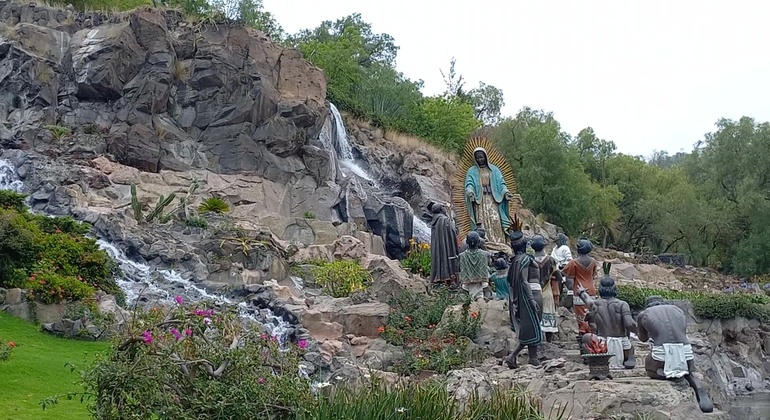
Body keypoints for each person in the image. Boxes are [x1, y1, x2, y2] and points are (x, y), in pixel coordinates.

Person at [637, 296, 714, 413]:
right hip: (685, 352)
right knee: (687, 370)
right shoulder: (677, 310)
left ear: (647, 305)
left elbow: (643, 338)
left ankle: (664, 373)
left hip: (662, 356)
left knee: (649, 361)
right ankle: (698, 387)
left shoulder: (644, 314)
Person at [576, 262, 637, 370]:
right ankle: (629, 356)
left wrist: (581, 292)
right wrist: (640, 333)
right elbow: (629, 323)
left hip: (602, 345)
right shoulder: (622, 304)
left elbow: (586, 298)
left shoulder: (595, 304)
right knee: (630, 344)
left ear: (600, 288)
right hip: (622, 344)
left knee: (586, 337)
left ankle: (593, 359)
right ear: (614, 288)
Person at [502, 218, 543, 368]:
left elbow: (510, 279)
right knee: (532, 325)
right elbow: (524, 280)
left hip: (524, 294)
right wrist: (531, 299)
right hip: (531, 293)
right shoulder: (525, 259)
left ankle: (533, 357)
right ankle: (513, 356)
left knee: (531, 325)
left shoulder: (516, 260)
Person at [464, 148, 519, 245]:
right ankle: (485, 244)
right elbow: (469, 184)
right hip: (480, 201)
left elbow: (501, 184)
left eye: (481, 157)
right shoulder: (472, 171)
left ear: (485, 156)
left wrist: (505, 193)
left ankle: (499, 243)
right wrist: (470, 192)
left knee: (496, 220)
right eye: (478, 158)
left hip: (493, 200)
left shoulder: (495, 170)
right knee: (482, 223)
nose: (480, 160)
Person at [530, 235, 564, 343]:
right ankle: (549, 343)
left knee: (534, 317)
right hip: (547, 292)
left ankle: (535, 341)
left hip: (532, 292)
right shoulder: (551, 260)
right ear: (544, 246)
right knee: (548, 316)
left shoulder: (529, 260)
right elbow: (558, 276)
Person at [563, 238, 598, 330]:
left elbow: (566, 274)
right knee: (591, 314)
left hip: (579, 290)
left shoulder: (573, 262)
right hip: (591, 290)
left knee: (580, 317)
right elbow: (593, 275)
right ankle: (591, 332)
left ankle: (583, 333)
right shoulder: (593, 262)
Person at [427, 201, 460, 288]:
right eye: (443, 208)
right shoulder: (444, 219)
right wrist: (453, 222)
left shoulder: (435, 220)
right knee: (448, 258)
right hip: (447, 244)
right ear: (440, 209)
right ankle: (450, 280)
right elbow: (453, 230)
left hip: (438, 246)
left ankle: (439, 279)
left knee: (439, 259)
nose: (444, 209)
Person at [458, 231, 490, 300]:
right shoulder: (485, 254)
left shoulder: (461, 256)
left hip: (467, 285)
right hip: (482, 283)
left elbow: (459, 269)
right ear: (479, 242)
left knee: (467, 300)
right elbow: (489, 264)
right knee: (482, 297)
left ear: (467, 242)